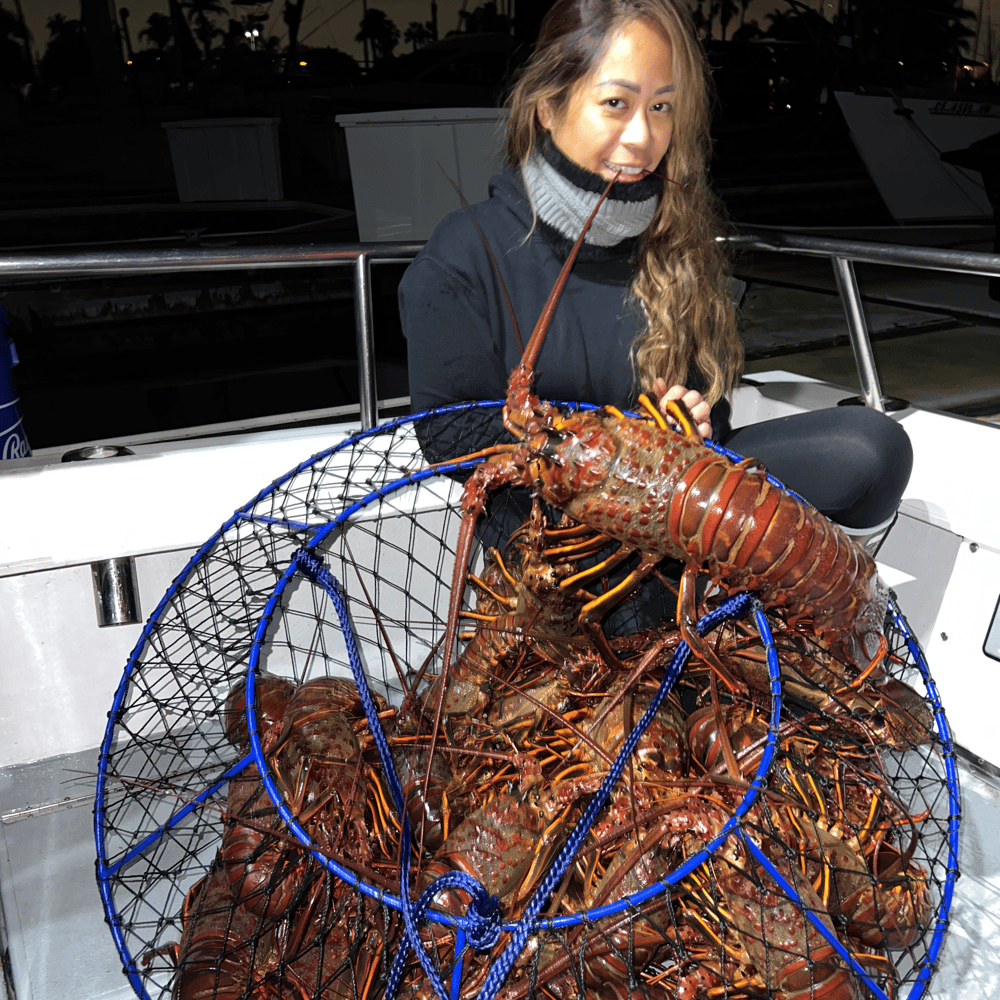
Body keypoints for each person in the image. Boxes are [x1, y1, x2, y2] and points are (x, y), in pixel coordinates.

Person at [398, 0, 911, 549]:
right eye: (615, 103)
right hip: (555, 544)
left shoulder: (674, 238)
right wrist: (618, 451)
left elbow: (709, 412)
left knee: (873, 449)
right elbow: (449, 432)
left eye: (662, 106)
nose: (643, 137)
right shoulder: (463, 254)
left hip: (679, 512)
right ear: (548, 105)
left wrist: (692, 416)